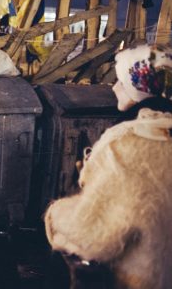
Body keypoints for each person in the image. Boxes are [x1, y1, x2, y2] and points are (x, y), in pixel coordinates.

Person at [44, 44, 172, 289]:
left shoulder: (124, 144)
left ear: (141, 88)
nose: (114, 87)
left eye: (122, 81)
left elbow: (95, 234)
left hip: (144, 277)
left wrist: (56, 214)